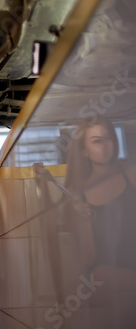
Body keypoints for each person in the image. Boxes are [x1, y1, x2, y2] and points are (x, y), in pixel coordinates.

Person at [63, 116, 136, 327]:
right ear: (84, 150)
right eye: (97, 141)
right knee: (104, 276)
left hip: (131, 270)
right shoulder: (79, 194)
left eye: (108, 138)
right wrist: (82, 220)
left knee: (126, 304)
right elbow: (89, 260)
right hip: (102, 277)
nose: (105, 146)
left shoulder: (131, 174)